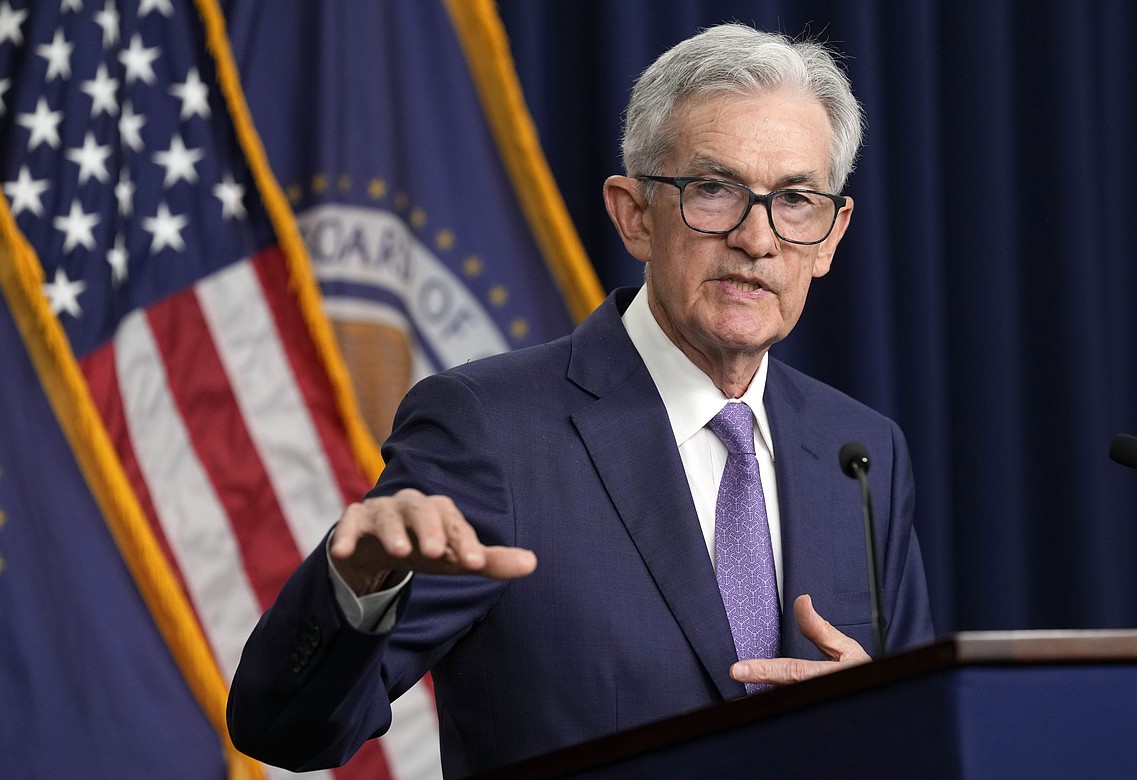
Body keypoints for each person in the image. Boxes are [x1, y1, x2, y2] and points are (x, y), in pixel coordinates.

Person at [227, 22, 934, 778]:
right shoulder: (491, 431)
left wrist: (885, 722)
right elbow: (287, 729)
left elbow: (930, 746)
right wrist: (357, 589)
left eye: (795, 199)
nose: (757, 238)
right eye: (715, 189)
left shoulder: (858, 452)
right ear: (635, 214)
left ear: (831, 236)